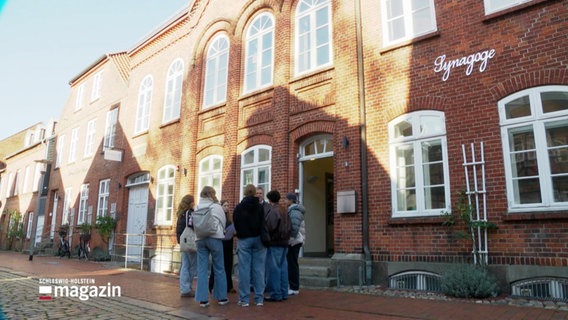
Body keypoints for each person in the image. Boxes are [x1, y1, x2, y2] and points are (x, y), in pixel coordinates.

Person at [194, 186, 228, 308]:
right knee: (219, 267)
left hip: (200, 239)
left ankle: (203, 300)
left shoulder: (197, 207)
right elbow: (223, 222)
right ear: (212, 194)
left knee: (202, 269)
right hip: (215, 238)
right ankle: (221, 297)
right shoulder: (216, 206)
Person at [233, 184, 266, 307]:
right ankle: (259, 299)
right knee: (259, 270)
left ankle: (244, 299)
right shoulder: (260, 207)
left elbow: (235, 222)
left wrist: (241, 233)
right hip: (258, 239)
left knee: (244, 270)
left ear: (245, 192)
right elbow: (263, 222)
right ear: (254, 193)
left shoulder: (239, 207)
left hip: (244, 239)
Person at [263, 190, 290, 302]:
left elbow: (269, 227)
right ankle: (284, 292)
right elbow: (290, 226)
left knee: (274, 269)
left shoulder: (274, 211)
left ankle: (275, 293)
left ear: (269, 200)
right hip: (284, 242)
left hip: (275, 242)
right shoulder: (284, 210)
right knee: (283, 268)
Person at [209, 199, 236, 293]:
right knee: (217, 264)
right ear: (220, 207)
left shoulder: (229, 218)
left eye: (228, 206)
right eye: (225, 206)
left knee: (228, 265)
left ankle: (229, 286)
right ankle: (211, 285)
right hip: (220, 243)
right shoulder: (217, 217)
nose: (227, 207)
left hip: (229, 243)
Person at [175, 194, 197, 297]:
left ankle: (184, 288)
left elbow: (179, 230)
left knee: (185, 266)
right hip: (190, 242)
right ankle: (187, 288)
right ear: (191, 203)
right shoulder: (190, 213)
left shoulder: (180, 214)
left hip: (183, 242)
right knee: (193, 266)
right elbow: (192, 226)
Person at [285, 192, 305, 296]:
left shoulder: (294, 211)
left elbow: (294, 228)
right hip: (296, 241)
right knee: (292, 263)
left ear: (291, 200)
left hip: (294, 242)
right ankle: (293, 286)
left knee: (292, 264)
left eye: (286, 199)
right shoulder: (294, 210)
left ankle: (294, 287)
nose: (285, 201)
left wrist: (290, 241)